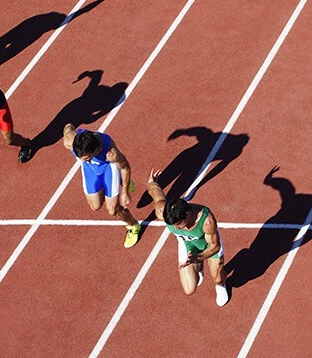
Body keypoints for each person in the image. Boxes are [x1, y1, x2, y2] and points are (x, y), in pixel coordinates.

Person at [146, 169, 229, 306]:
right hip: (187, 244)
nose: (176, 228)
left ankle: (221, 285)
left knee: (218, 278)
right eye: (172, 225)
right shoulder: (163, 212)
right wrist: (152, 183)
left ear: (187, 214)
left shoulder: (206, 221)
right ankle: (198, 267)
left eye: (179, 224)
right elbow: (156, 194)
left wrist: (199, 257)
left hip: (208, 245)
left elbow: (215, 246)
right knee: (189, 289)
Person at [63, 124, 141, 248]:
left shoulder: (111, 154)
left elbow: (125, 167)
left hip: (108, 168)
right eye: (80, 157)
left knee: (113, 210)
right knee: (95, 206)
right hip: (91, 169)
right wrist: (70, 125)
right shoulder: (69, 141)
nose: (82, 159)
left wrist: (125, 192)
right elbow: (68, 127)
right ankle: (115, 184)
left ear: (94, 150)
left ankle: (133, 225)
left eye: (86, 157)